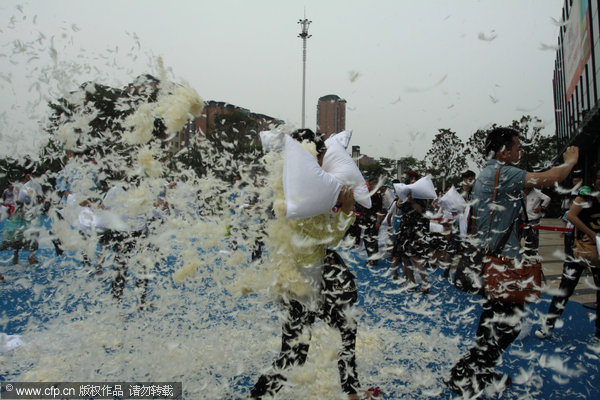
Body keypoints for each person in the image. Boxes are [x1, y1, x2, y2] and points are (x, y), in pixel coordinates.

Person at [446, 127, 579, 397]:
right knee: (510, 323)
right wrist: (571, 162)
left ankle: (478, 371)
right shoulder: (502, 172)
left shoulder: (490, 172)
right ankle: (464, 373)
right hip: (501, 261)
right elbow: (551, 178)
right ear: (504, 151)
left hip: (490, 259)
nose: (520, 151)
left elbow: (529, 184)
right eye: (517, 146)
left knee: (492, 319)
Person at [249, 129, 364, 400]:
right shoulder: (300, 195)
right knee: (296, 353)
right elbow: (329, 235)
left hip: (305, 275)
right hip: (305, 280)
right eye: (321, 154)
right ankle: (258, 395)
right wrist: (347, 210)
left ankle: (352, 391)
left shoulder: (292, 185)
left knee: (340, 331)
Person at [536, 166, 600, 340]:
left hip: (598, 253)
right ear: (594, 180)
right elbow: (571, 216)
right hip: (579, 251)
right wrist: (592, 234)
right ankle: (548, 326)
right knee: (566, 288)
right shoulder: (585, 197)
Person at [521, 186, 551, 256]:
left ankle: (534, 250)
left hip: (534, 218)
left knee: (534, 235)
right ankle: (527, 250)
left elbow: (548, 198)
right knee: (526, 235)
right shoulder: (522, 193)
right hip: (525, 217)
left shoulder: (537, 192)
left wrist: (541, 207)